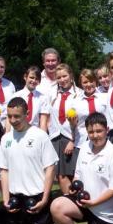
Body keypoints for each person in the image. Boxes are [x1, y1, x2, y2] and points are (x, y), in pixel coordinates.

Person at [51, 112, 113, 224]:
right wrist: (75, 187)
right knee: (57, 205)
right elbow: (78, 174)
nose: (95, 135)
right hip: (85, 204)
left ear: (107, 130)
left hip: (106, 211)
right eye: (91, 132)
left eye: (99, 131)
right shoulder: (85, 146)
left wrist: (95, 202)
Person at [0, 97, 61, 224]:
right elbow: (4, 170)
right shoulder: (6, 139)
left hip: (38, 197)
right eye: (9, 116)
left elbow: (50, 168)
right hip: (16, 199)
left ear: (27, 114)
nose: (13, 120)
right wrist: (6, 198)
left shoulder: (40, 135)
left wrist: (45, 198)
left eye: (17, 116)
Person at [48, 63, 81, 194]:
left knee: (73, 173)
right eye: (59, 77)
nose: (62, 80)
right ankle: (68, 200)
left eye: (65, 76)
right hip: (55, 137)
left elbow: (81, 122)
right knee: (60, 174)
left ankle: (78, 201)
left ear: (71, 75)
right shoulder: (53, 94)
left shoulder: (79, 94)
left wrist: (73, 140)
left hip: (71, 137)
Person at [68, 69, 108, 151]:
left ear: (95, 81)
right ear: (81, 84)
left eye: (91, 81)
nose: (89, 84)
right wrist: (72, 139)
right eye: (85, 82)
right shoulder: (76, 101)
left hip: (103, 139)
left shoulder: (105, 97)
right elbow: (73, 126)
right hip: (82, 141)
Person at [8, 65, 49, 132]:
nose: (34, 80)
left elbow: (43, 122)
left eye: (36, 79)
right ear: (25, 77)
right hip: (16, 132)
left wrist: (43, 138)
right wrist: (7, 134)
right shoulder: (16, 96)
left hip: (34, 133)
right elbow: (9, 117)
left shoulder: (43, 98)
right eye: (31, 77)